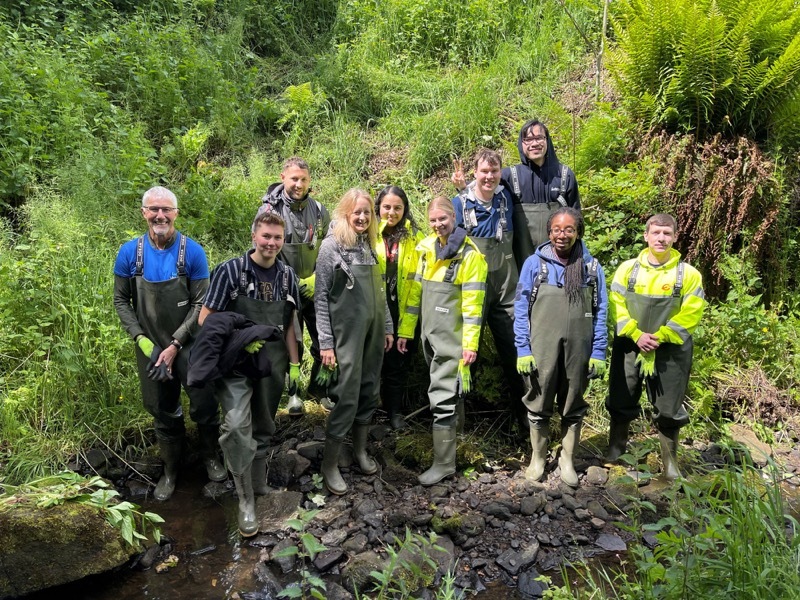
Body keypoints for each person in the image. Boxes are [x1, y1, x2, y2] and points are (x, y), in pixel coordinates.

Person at [113, 186, 226, 501]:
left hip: (189, 343)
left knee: (204, 402)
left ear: (176, 213)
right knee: (162, 409)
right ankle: (171, 469)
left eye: (166, 209)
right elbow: (121, 300)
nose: (160, 215)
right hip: (149, 345)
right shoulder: (128, 253)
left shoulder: (192, 252)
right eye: (153, 209)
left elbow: (201, 303)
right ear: (144, 213)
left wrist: (176, 343)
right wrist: (141, 340)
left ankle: (210, 457)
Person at [197, 211, 301, 536]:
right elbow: (205, 318)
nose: (271, 243)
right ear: (254, 236)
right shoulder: (230, 271)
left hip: (273, 363)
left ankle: (258, 488)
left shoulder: (287, 276)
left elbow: (289, 326)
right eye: (266, 236)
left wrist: (295, 366)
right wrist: (240, 338)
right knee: (237, 426)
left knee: (265, 426)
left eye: (277, 238)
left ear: (283, 241)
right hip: (236, 364)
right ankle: (244, 501)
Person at [605, 213, 705, 480]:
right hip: (630, 344)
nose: (661, 238)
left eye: (667, 234)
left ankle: (670, 463)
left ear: (675, 237)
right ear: (646, 235)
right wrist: (635, 334)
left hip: (670, 349)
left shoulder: (688, 274)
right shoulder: (627, 270)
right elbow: (616, 304)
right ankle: (616, 449)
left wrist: (661, 336)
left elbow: (691, 313)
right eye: (656, 233)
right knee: (621, 395)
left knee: (669, 405)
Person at [513, 207, 607, 487]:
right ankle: (538, 457)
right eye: (556, 229)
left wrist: (599, 351)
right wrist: (522, 348)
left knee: (573, 402)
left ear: (578, 232)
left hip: (580, 345)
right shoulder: (534, 264)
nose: (562, 235)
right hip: (541, 345)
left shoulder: (591, 267)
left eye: (568, 230)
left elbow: (601, 310)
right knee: (538, 402)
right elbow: (520, 308)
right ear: (549, 232)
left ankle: (567, 459)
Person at [398, 197, 488, 486]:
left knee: (442, 394)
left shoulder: (470, 256)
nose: (438, 225)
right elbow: (414, 296)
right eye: (433, 220)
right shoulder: (425, 250)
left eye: (443, 219)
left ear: (454, 217)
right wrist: (406, 330)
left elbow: (474, 306)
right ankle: (457, 443)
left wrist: (470, 345)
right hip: (429, 334)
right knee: (448, 389)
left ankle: (444, 463)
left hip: (453, 338)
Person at [314, 188, 394, 495]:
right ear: (346, 213)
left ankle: (360, 451)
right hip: (345, 337)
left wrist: (387, 326)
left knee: (370, 389)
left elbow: (381, 292)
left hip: (373, 334)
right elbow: (320, 298)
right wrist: (325, 344)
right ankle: (330, 464)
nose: (362, 218)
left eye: (367, 213)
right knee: (346, 395)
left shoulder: (372, 244)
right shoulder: (331, 247)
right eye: (356, 212)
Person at [451, 149, 525, 432]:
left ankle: (528, 423)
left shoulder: (506, 197)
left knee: (518, 351)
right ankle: (458, 428)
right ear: (475, 173)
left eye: (494, 172)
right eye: (484, 172)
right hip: (473, 291)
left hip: (507, 290)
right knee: (465, 354)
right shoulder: (460, 203)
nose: (490, 177)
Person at [454, 120, 581, 269]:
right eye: (528, 139)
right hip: (521, 265)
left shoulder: (565, 176)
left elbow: (577, 220)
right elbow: (485, 186)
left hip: (559, 263)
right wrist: (463, 186)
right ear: (522, 143)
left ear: (547, 140)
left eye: (539, 138)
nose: (534, 143)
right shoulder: (510, 176)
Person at [259, 157, 331, 414]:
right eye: (294, 179)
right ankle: (292, 393)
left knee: (325, 339)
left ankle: (318, 389)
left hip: (316, 288)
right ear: (283, 178)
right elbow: (264, 252)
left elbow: (329, 249)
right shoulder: (270, 212)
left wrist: (316, 279)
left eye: (303, 179)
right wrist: (289, 281)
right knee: (291, 344)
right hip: (284, 290)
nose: (298, 184)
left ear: (309, 181)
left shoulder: (320, 210)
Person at [375, 186, 424, 430]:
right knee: (372, 364)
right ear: (378, 208)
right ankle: (366, 413)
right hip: (373, 311)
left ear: (405, 210)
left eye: (397, 208)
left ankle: (394, 413)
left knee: (397, 365)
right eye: (386, 207)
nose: (391, 212)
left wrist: (406, 327)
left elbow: (418, 285)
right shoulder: (368, 233)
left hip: (402, 311)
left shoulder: (415, 238)